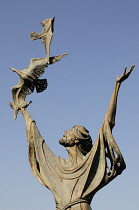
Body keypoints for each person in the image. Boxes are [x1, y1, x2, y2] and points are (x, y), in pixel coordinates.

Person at [20, 66, 134, 210]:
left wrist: (117, 85)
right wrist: (24, 111)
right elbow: (36, 139)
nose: (65, 132)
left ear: (77, 139)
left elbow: (108, 125)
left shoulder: (90, 162)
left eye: (70, 131)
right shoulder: (57, 165)